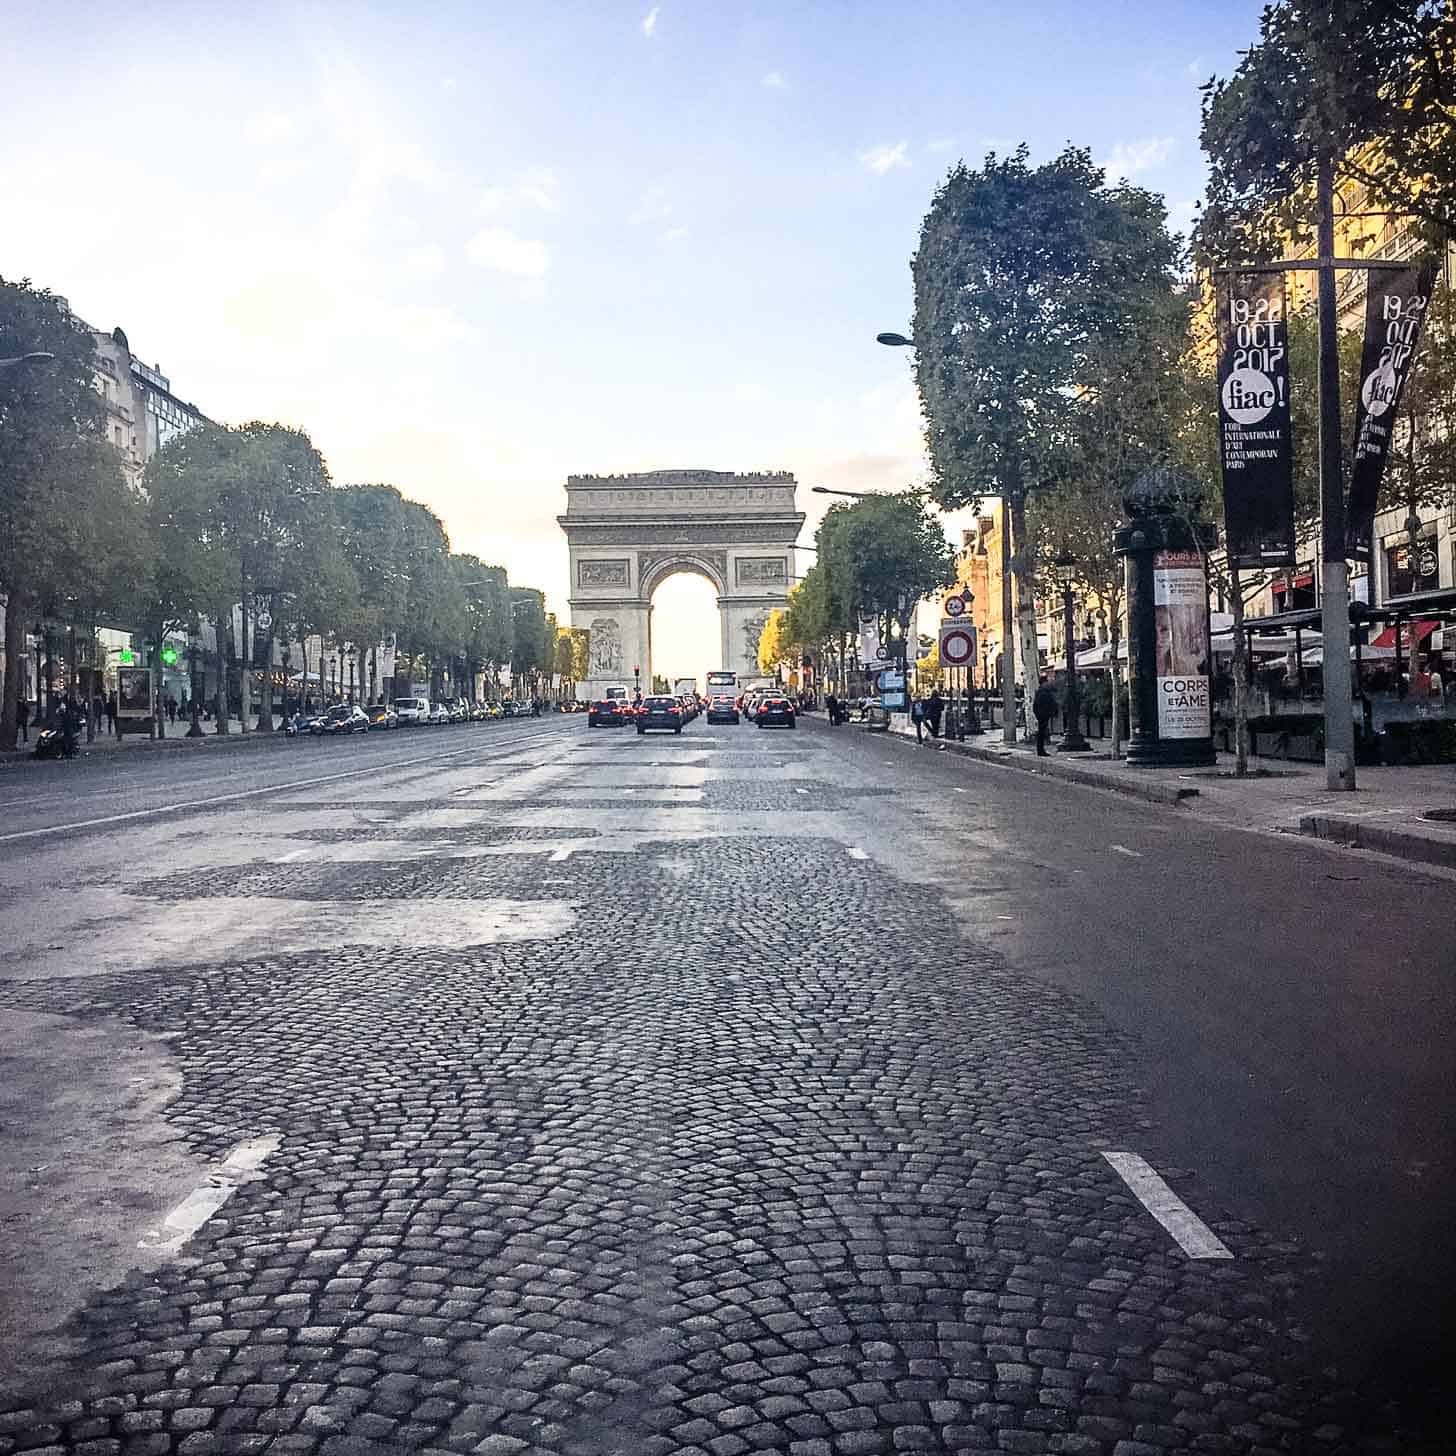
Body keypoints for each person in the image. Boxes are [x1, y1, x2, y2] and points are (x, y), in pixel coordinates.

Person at [1032, 677, 1059, 756]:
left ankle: (1041, 750)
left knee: (1042, 733)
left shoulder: (1042, 692)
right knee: (1041, 733)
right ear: (1043, 683)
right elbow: (1037, 705)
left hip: (1044, 715)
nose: (1048, 683)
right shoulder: (1042, 692)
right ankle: (1040, 750)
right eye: (1046, 682)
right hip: (1043, 715)